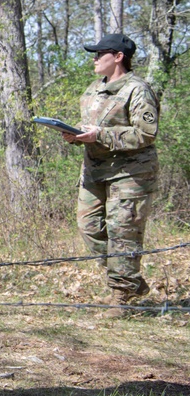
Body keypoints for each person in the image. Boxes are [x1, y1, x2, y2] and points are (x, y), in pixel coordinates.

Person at [62, 33, 158, 318]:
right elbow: (91, 127)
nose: (93, 58)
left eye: (99, 53)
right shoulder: (93, 89)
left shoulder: (137, 89)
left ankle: (122, 296)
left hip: (130, 173)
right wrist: (76, 135)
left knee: (123, 232)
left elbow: (146, 133)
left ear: (118, 57)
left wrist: (99, 135)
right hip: (95, 171)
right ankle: (131, 279)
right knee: (89, 227)